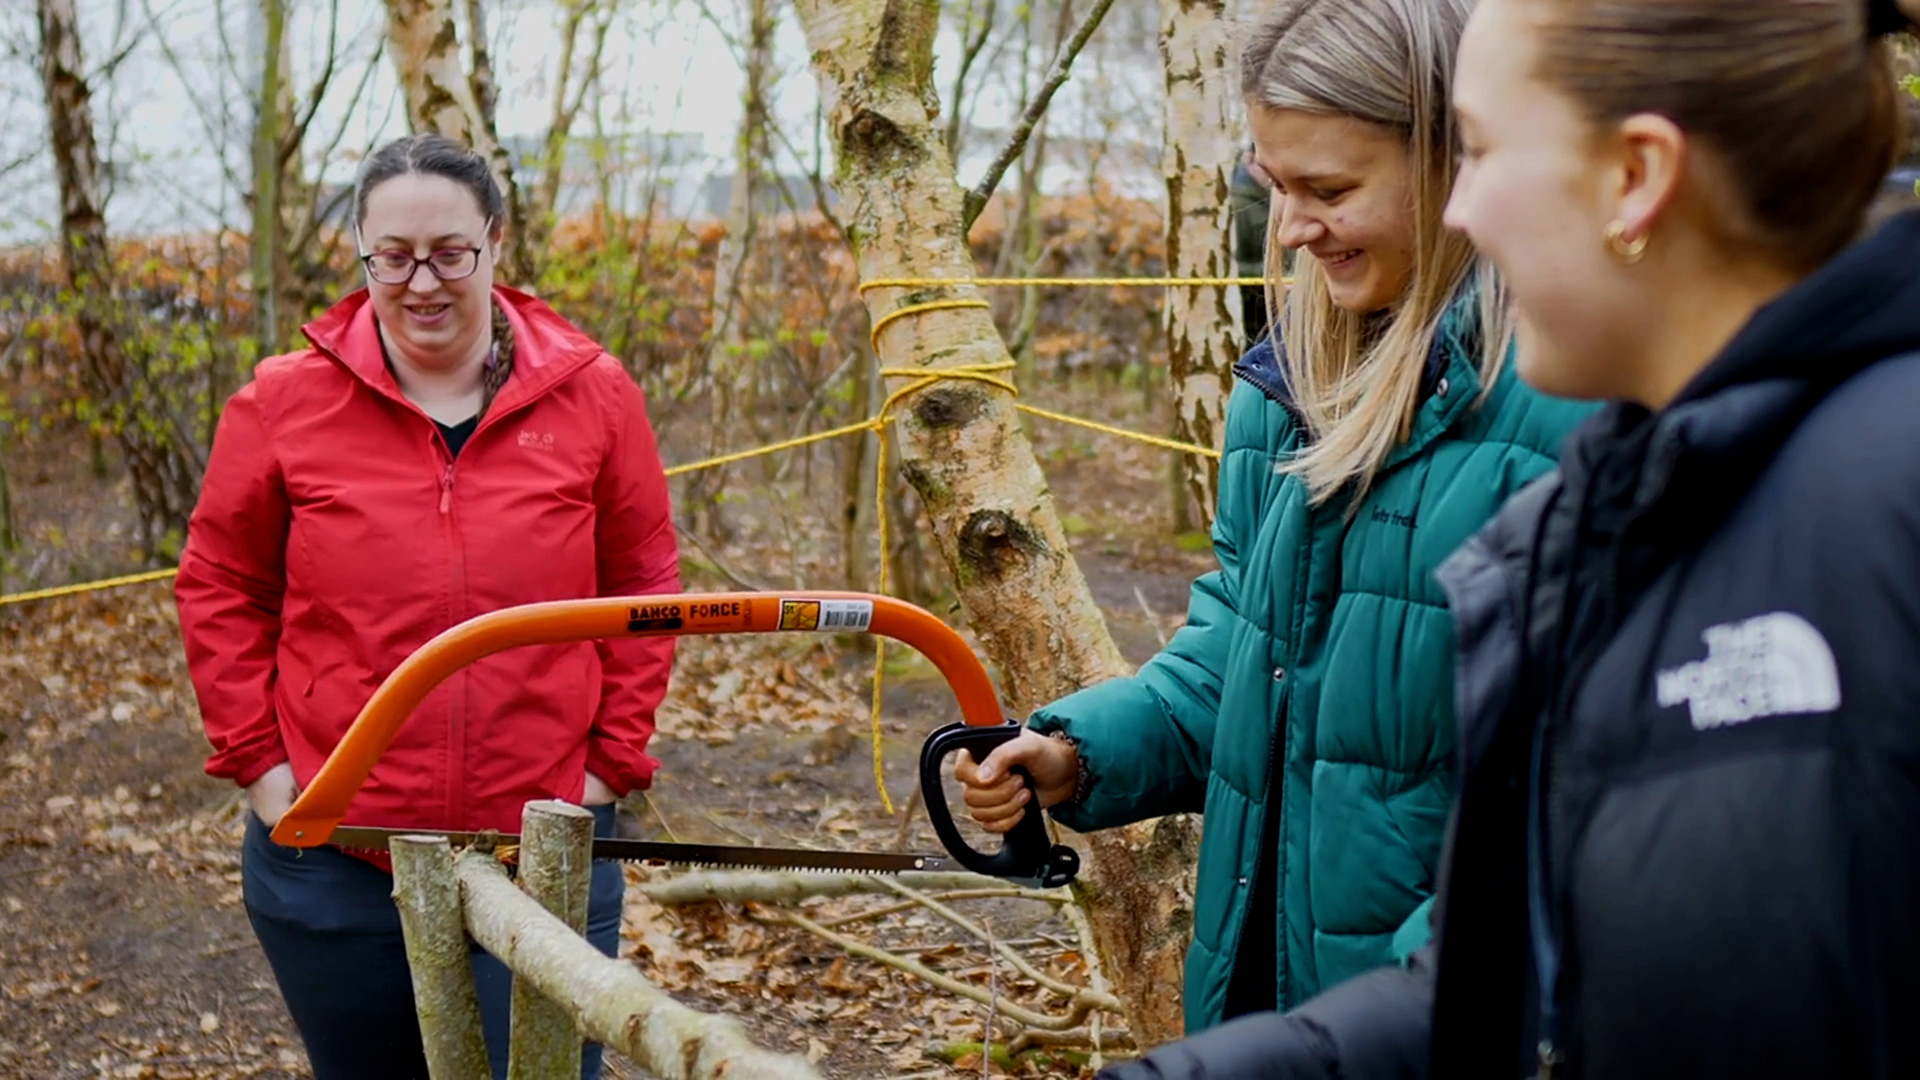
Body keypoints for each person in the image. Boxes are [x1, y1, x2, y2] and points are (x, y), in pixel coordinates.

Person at [1097, 0, 1920, 1076]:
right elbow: (1526, 958)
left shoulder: (1874, 500)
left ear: (1637, 176)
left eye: (1480, 151)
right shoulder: (1623, 497)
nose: (1463, 210)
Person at [955, 0, 1591, 1037]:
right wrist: (1073, 752)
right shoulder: (1286, 388)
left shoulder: (1565, 403)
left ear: (1457, 158)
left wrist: (1418, 1002)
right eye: (1273, 185)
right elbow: (1245, 660)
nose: (1291, 227)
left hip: (1425, 1022)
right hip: (1260, 1001)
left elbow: (1579, 788)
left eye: (1329, 190)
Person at [174, 134, 679, 1080]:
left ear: (496, 240)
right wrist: (262, 767)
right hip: (337, 852)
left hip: (541, 841)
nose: (422, 283)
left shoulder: (594, 394)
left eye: (450, 253)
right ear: (362, 253)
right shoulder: (284, 402)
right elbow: (222, 584)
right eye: (393, 258)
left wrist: (606, 765)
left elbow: (645, 586)